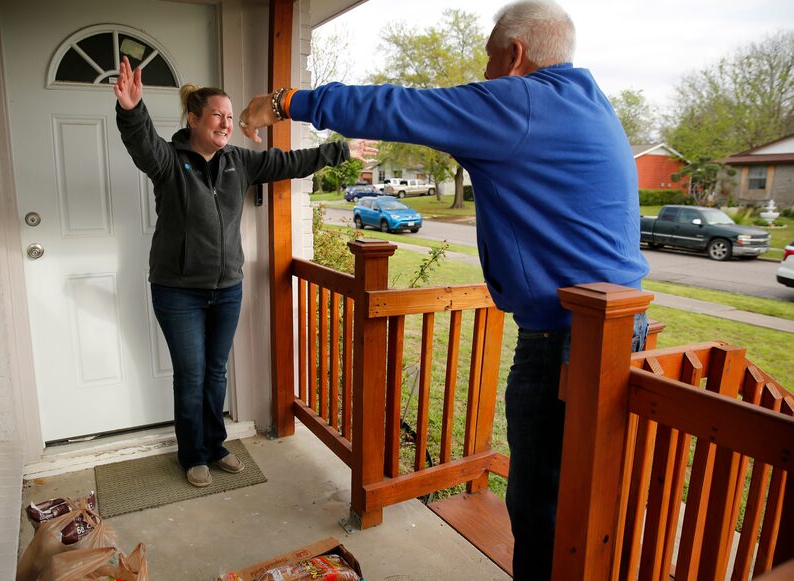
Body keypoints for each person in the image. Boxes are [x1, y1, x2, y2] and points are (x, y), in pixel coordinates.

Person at [239, 1, 650, 577]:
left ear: (515, 56)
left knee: (543, 508)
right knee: (575, 503)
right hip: (604, 327)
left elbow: (399, 107)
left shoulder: (522, 102)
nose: (483, 73)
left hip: (570, 338)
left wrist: (286, 102)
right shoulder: (588, 105)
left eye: (488, 58)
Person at [113, 56, 375, 488]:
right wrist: (131, 110)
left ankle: (216, 446)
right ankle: (192, 455)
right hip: (178, 291)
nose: (225, 123)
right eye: (217, 115)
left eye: (231, 117)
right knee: (192, 374)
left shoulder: (239, 161)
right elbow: (142, 143)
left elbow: (290, 163)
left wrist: (340, 149)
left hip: (227, 288)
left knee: (216, 372)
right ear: (193, 118)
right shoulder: (168, 162)